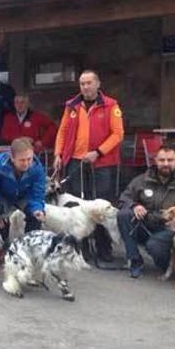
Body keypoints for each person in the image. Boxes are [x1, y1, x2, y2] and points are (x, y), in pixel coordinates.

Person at [54, 69, 124, 261]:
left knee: (101, 205)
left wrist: (98, 152)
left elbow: (118, 134)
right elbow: (62, 131)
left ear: (98, 84)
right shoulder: (72, 105)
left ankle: (104, 247)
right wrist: (58, 154)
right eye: (82, 83)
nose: (85, 87)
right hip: (75, 161)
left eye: (89, 83)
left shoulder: (111, 105)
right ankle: (80, 247)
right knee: (77, 205)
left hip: (101, 163)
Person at [117, 146, 175, 279]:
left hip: (169, 230)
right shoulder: (141, 180)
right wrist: (134, 205)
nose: (166, 164)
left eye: (170, 160)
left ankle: (167, 265)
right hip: (145, 225)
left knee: (154, 245)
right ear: (155, 160)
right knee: (124, 215)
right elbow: (124, 199)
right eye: (162, 160)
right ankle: (135, 261)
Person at [0, 138, 46, 232]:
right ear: (12, 158)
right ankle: (3, 244)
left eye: (29, 159)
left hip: (25, 197)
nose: (26, 163)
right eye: (22, 160)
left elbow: (37, 194)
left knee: (35, 219)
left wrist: (36, 209)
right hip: (3, 197)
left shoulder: (37, 168)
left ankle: (29, 243)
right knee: (0, 223)